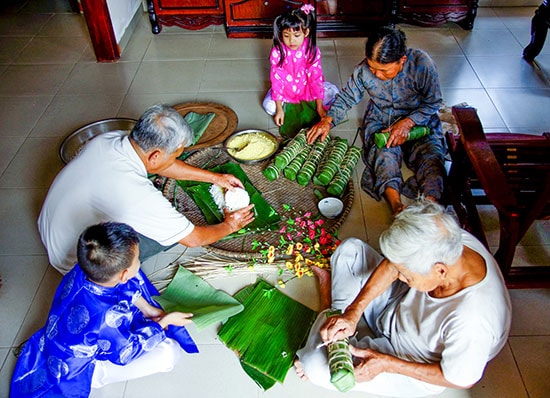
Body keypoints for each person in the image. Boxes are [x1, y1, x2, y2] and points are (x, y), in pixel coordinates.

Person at [295, 200, 512, 397]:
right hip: (399, 306)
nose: (399, 276)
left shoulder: (473, 320)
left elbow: (458, 378)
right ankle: (338, 318)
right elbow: (392, 265)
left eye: (406, 275)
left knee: (314, 366)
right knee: (350, 250)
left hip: (412, 356)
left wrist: (387, 364)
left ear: (440, 271)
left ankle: (328, 305)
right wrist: (354, 312)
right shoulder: (446, 238)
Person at [38, 103, 255, 274]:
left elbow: (163, 165)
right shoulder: (137, 195)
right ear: (155, 155)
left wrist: (216, 178)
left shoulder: (108, 140)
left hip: (51, 228)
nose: (174, 159)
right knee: (169, 236)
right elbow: (193, 239)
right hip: (76, 261)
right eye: (175, 154)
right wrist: (230, 225)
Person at [11, 222, 198, 397]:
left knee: (140, 311)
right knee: (169, 353)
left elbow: (123, 286)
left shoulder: (84, 269)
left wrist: (148, 309)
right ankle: (99, 377)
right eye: (137, 260)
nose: (139, 262)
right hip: (80, 368)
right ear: (124, 275)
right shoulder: (104, 318)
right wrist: (164, 322)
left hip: (59, 342)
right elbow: (126, 353)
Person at [307, 27, 446, 215]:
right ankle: (396, 205)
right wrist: (328, 120)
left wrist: (408, 122)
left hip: (420, 122)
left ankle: (430, 207)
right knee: (384, 155)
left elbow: (433, 102)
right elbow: (347, 97)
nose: (377, 75)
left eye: (384, 70)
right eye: (372, 68)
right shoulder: (363, 71)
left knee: (432, 158)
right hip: (382, 119)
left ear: (402, 60)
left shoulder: (422, 64)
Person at [262, 4, 339, 138]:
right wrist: (279, 109)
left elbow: (315, 79)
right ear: (281, 34)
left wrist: (319, 107)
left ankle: (320, 101)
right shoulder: (277, 52)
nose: (291, 40)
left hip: (308, 90)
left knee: (334, 94)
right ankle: (281, 104)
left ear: (306, 32)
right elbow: (277, 81)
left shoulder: (311, 51)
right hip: (286, 93)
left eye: (296, 35)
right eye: (286, 35)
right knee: (269, 106)